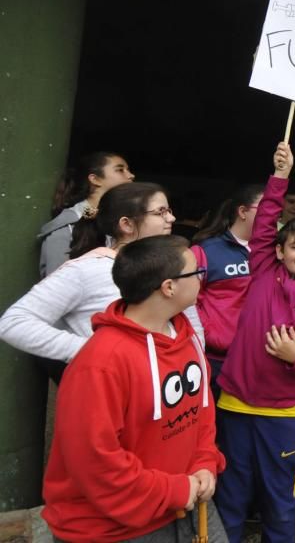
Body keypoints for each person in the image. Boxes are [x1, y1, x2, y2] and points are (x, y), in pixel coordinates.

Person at [41, 235, 226, 542]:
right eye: (197, 273)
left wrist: (205, 462)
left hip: (189, 505)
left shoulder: (185, 335)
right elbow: (95, 461)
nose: (202, 279)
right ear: (169, 287)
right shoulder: (100, 362)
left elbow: (200, 413)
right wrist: (175, 490)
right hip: (115, 530)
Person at [213, 143, 295, 543]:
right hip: (235, 402)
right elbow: (266, 219)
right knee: (232, 493)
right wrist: (281, 179)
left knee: (278, 498)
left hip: (286, 413)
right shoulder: (263, 272)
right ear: (277, 250)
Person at [0, 182, 179, 384]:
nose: (171, 218)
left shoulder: (170, 268)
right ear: (127, 224)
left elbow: (189, 325)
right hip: (106, 391)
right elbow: (14, 322)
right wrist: (94, 351)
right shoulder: (89, 269)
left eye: (169, 210)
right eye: (160, 212)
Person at [190, 183, 264, 398]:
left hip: (262, 359)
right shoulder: (204, 251)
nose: (273, 216)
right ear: (242, 211)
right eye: (266, 209)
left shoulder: (277, 251)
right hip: (217, 360)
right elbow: (187, 302)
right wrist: (212, 335)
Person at [38, 151, 135, 278]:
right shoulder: (67, 227)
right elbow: (58, 283)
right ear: (95, 179)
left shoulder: (125, 221)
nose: (131, 175)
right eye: (120, 170)